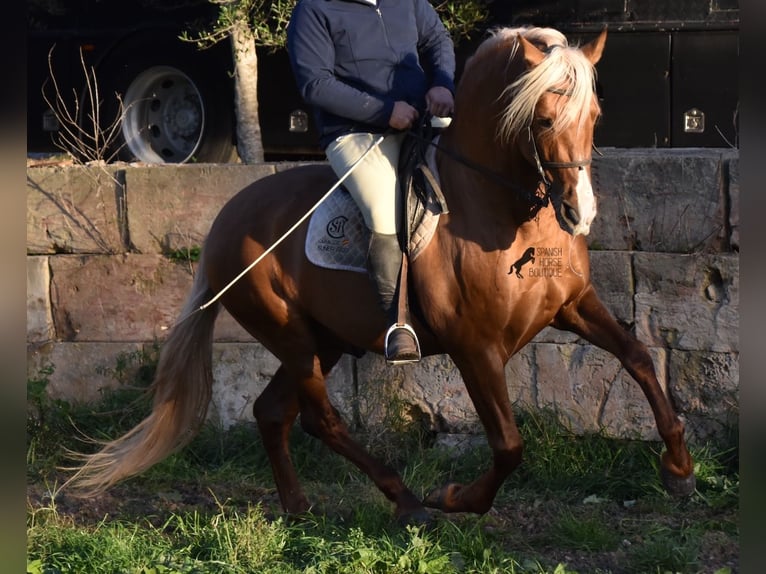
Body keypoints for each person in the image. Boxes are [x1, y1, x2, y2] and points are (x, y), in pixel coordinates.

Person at [287, 0, 456, 364]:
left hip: (421, 124)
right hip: (355, 132)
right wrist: (383, 112)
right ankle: (399, 323)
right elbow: (315, 84)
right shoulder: (314, 9)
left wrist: (442, 83)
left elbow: (437, 39)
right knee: (383, 210)